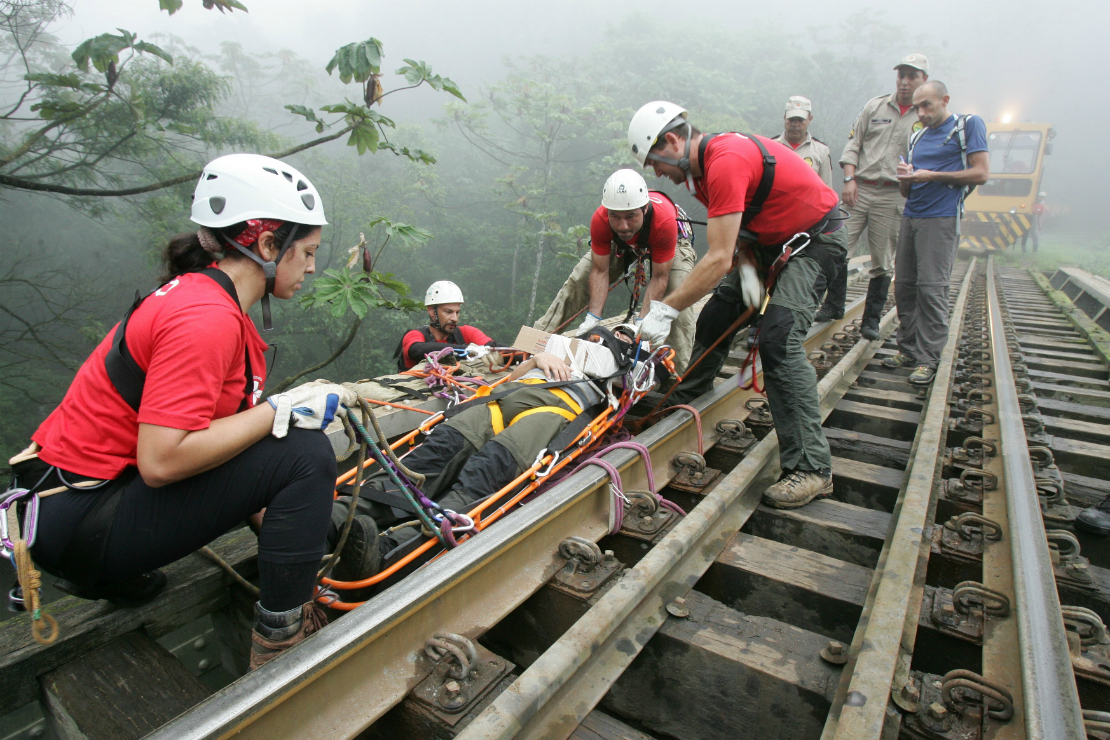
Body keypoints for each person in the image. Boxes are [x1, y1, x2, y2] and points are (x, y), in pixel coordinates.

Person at [6, 153, 378, 669]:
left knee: (278, 443)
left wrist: (293, 537)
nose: (313, 267)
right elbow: (162, 462)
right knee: (306, 451)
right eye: (308, 252)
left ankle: (116, 573)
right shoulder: (205, 319)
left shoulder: (204, 299)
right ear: (269, 246)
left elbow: (227, 448)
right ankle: (282, 641)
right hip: (83, 520)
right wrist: (281, 409)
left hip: (68, 508)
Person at [628, 101, 846, 509]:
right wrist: (747, 278)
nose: (657, 173)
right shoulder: (700, 175)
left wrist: (665, 309)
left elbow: (716, 258)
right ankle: (688, 396)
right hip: (768, 245)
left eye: (655, 162)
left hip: (815, 242)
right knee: (718, 313)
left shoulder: (725, 161)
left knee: (779, 341)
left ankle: (813, 468)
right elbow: (739, 236)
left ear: (672, 141)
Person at [332, 326, 638, 561]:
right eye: (614, 333)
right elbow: (511, 377)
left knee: (485, 473)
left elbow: (634, 392)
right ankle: (336, 518)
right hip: (505, 397)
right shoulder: (560, 351)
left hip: (557, 410)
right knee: (434, 453)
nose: (615, 337)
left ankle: (390, 548)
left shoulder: (620, 375)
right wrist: (537, 358)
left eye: (625, 338)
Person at [534, 169, 698, 372]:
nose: (623, 225)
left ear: (644, 209)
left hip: (672, 240)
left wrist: (641, 325)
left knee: (679, 292)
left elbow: (659, 277)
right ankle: (535, 340)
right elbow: (599, 271)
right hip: (622, 243)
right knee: (580, 277)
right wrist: (593, 318)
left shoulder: (663, 221)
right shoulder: (602, 219)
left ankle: (676, 374)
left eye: (630, 216)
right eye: (615, 217)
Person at [884, 81, 989, 385]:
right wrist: (905, 178)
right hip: (912, 215)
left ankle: (927, 359)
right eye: (917, 107)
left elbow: (981, 173)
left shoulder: (966, 126)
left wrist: (933, 175)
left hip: (941, 218)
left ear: (945, 100)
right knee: (904, 285)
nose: (921, 112)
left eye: (926, 105)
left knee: (931, 288)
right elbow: (906, 191)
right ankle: (907, 349)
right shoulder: (917, 136)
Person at [820, 54, 931, 340]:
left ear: (924, 80)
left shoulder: (925, 116)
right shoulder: (875, 106)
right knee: (836, 247)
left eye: (912, 76)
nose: (905, 82)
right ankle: (833, 305)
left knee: (882, 260)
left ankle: (870, 320)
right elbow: (853, 145)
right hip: (859, 188)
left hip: (894, 194)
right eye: (901, 75)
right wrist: (849, 179)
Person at [395, 281, 495, 371]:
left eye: (457, 312)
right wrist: (466, 350)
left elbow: (493, 346)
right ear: (431, 311)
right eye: (448, 312)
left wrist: (497, 351)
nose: (455, 318)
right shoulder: (414, 335)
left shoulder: (465, 332)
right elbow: (417, 350)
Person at [771, 96, 833, 187]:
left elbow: (826, 189)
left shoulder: (821, 151)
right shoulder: (769, 147)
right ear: (784, 117)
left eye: (800, 120)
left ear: (810, 119)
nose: (795, 124)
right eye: (791, 119)